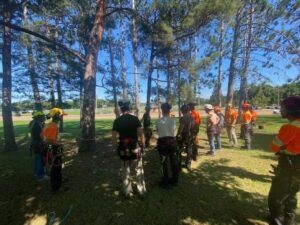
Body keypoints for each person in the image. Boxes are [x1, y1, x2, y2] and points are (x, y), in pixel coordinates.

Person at [268, 96, 300, 225]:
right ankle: (289, 221)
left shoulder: (290, 127)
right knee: (291, 195)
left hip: (289, 167)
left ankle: (277, 220)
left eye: (282, 108)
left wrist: (284, 147)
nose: (280, 110)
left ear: (290, 110)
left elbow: (274, 146)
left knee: (276, 197)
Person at [112, 100, 146, 198]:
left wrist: (115, 148)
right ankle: (141, 191)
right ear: (129, 109)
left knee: (125, 169)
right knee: (138, 169)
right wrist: (143, 144)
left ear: (121, 110)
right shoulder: (135, 119)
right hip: (135, 146)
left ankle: (127, 192)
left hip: (123, 147)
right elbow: (141, 133)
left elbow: (114, 137)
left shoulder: (117, 121)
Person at [156, 103, 178, 188]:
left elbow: (158, 131)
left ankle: (165, 181)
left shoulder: (158, 120)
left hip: (162, 143)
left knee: (164, 162)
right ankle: (175, 180)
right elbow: (174, 131)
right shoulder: (173, 120)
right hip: (172, 142)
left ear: (162, 110)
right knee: (174, 162)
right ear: (169, 110)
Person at [29, 111, 47, 181]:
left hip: (35, 143)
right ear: (38, 117)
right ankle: (40, 176)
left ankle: (37, 173)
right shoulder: (37, 125)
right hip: (38, 144)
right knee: (40, 159)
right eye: (42, 117)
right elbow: (40, 136)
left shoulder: (33, 123)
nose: (43, 118)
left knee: (37, 159)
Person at [176, 104, 193, 171]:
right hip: (190, 136)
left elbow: (181, 127)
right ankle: (188, 164)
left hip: (184, 136)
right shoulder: (191, 117)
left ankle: (179, 164)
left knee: (179, 149)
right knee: (189, 150)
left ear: (183, 111)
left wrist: (178, 135)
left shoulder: (183, 118)